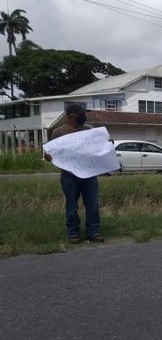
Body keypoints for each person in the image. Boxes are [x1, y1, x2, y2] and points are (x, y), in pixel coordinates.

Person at [44, 104, 103, 244]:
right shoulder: (58, 132)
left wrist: (105, 144)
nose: (85, 117)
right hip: (69, 176)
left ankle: (93, 232)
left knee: (93, 204)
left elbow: (96, 147)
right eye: (82, 114)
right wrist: (49, 157)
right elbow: (52, 153)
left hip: (89, 174)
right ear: (71, 116)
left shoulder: (88, 130)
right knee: (71, 204)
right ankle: (73, 233)